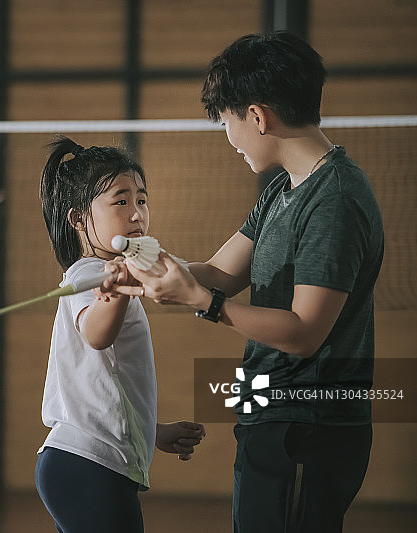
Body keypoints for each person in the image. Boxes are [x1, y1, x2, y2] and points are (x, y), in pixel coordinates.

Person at [110, 31, 384, 533]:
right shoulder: (283, 190)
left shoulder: (335, 201)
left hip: (308, 427)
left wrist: (204, 303)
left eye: (227, 122)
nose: (230, 137)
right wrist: (145, 267)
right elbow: (218, 271)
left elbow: (304, 333)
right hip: (270, 414)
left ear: (257, 116)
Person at [35, 136, 206, 533]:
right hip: (85, 464)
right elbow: (95, 334)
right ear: (79, 219)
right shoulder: (90, 274)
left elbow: (104, 380)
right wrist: (112, 294)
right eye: (120, 200)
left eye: (141, 199)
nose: (137, 214)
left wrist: (152, 431)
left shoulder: (122, 269)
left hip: (86, 462)